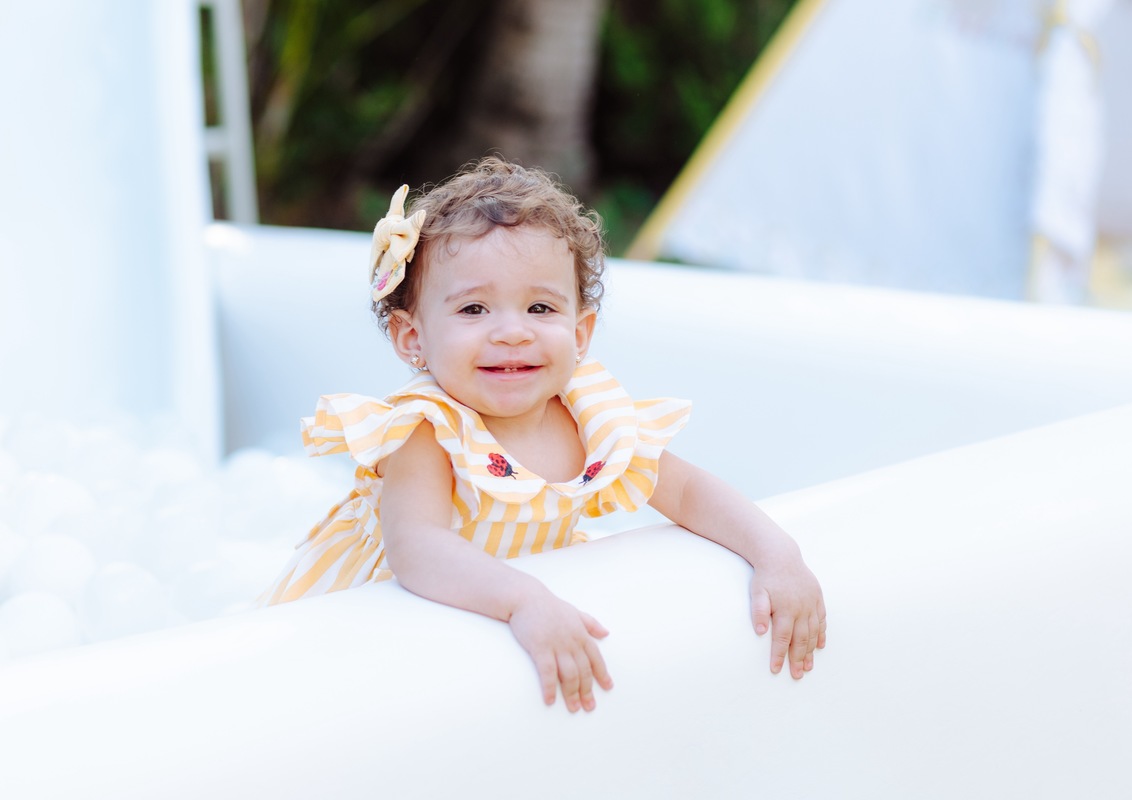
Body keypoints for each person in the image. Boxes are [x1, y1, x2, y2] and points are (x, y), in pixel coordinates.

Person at [260, 157, 826, 712]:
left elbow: (685, 492)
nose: (512, 332)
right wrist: (523, 600)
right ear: (413, 338)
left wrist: (775, 553)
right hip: (365, 618)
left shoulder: (588, 416)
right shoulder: (429, 429)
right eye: (475, 308)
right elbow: (419, 549)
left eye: (539, 306)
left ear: (580, 332)